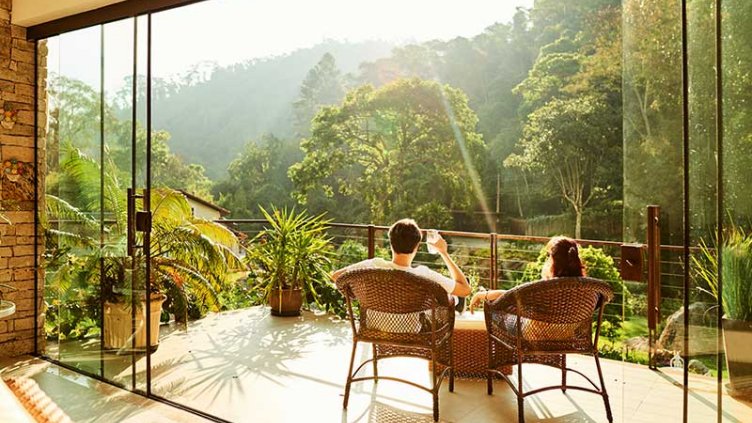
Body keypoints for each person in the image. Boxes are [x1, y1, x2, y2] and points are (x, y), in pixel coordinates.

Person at [331, 218, 472, 298]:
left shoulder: (374, 265)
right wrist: (443, 253)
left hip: (375, 327)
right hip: (414, 332)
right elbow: (465, 290)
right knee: (451, 298)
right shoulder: (424, 274)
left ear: (391, 244)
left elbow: (336, 276)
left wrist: (359, 294)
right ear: (417, 247)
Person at [469, 236, 585, 313]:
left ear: (553, 260)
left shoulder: (546, 289)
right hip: (569, 338)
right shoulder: (586, 289)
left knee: (498, 313)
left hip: (536, 338)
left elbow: (510, 295)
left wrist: (482, 295)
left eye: (547, 255)